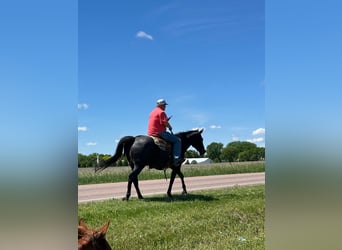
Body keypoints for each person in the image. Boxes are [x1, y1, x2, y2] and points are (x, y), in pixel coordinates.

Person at [147, 99, 183, 166]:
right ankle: (176, 159)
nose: (165, 107)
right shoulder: (161, 112)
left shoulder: (152, 112)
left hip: (150, 133)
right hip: (159, 132)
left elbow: (158, 121)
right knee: (177, 140)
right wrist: (170, 127)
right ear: (161, 105)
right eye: (164, 105)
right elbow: (165, 123)